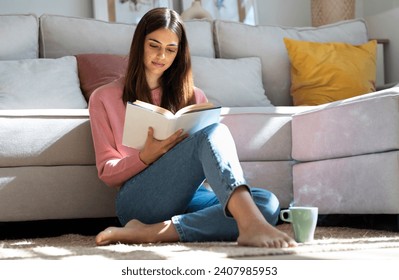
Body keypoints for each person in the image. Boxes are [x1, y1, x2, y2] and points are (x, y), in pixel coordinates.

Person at [89, 7, 296, 248]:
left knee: (266, 203)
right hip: (139, 200)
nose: (161, 56)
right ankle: (249, 226)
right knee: (217, 135)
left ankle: (153, 233)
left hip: (192, 197)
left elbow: (207, 162)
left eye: (170, 49)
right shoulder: (104, 97)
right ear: (139, 45)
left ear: (179, 53)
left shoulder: (194, 96)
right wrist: (146, 156)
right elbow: (107, 172)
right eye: (154, 45)